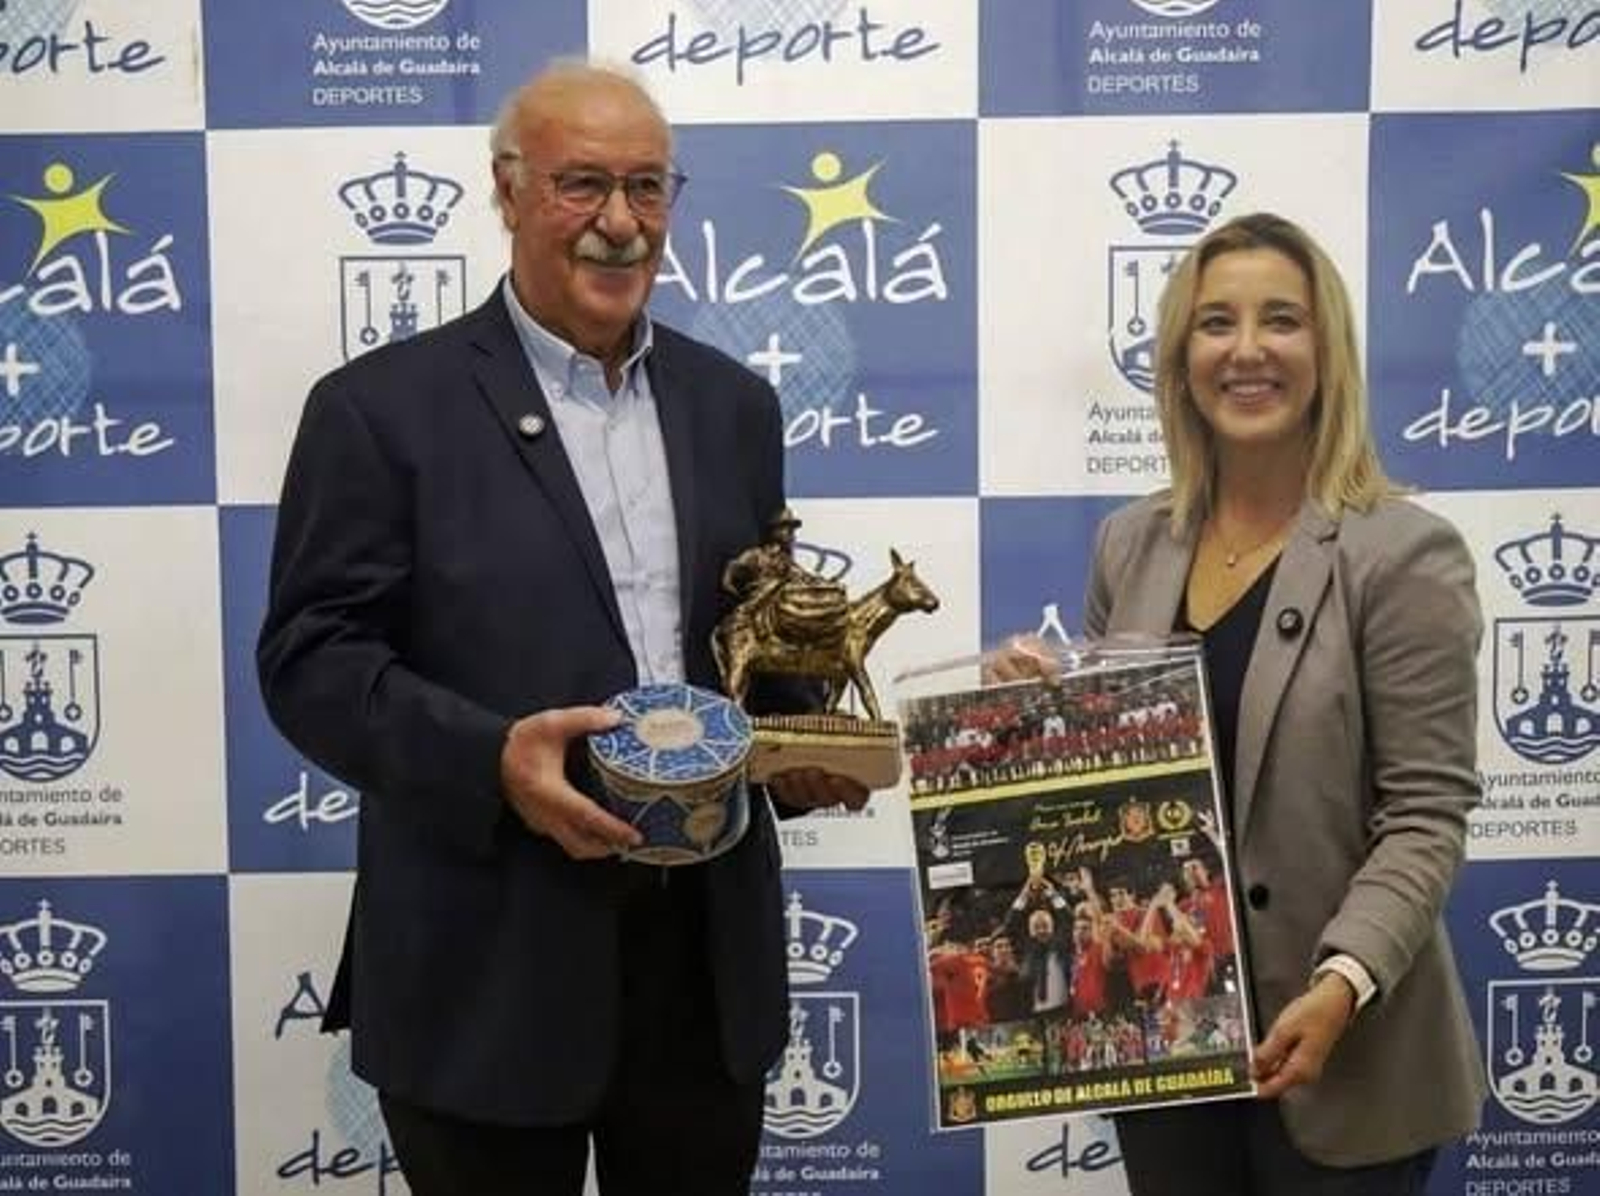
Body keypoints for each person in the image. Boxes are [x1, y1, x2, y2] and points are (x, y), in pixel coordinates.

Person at [257, 59, 869, 1196]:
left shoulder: (735, 406)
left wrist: (804, 752)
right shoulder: (376, 410)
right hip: (483, 970)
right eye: (581, 184)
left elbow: (749, 647)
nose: (620, 222)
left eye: (646, 187)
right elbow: (311, 661)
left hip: (704, 973)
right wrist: (492, 759)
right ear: (507, 190)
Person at [995, 213, 1485, 1193]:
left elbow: (1425, 816)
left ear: (1327, 351)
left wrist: (1343, 981)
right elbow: (1114, 801)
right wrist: (1035, 719)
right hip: (1166, 1049)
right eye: (1216, 322)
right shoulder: (1129, 544)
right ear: (1181, 358)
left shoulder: (1402, 553)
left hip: (1344, 1058)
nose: (1247, 349)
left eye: (1282, 321)